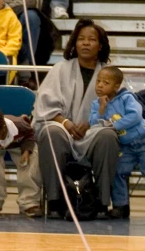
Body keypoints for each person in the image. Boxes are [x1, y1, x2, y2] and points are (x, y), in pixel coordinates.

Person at [34, 19, 119, 219]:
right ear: (74, 44)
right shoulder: (60, 69)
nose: (86, 43)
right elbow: (44, 105)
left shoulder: (110, 73)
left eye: (91, 39)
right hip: (63, 127)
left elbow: (117, 110)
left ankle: (102, 202)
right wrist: (65, 122)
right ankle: (55, 201)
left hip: (94, 130)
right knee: (50, 132)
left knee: (108, 136)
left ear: (100, 46)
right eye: (81, 39)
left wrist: (91, 122)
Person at [90, 66, 145, 219]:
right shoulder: (96, 104)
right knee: (118, 172)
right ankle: (121, 205)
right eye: (98, 81)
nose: (100, 85)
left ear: (116, 86)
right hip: (125, 146)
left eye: (105, 82)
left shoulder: (127, 98)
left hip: (142, 140)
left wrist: (115, 126)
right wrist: (102, 109)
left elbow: (135, 116)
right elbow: (93, 122)